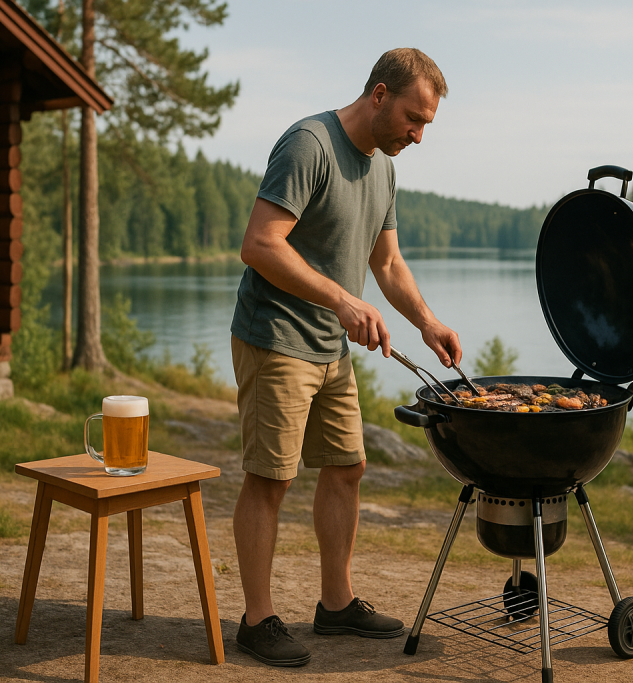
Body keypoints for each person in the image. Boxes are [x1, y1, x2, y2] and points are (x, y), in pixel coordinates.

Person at [229, 48, 461, 667]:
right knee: (271, 478)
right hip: (276, 335)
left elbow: (386, 262)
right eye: (414, 119)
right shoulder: (310, 145)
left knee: (347, 467)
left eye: (426, 125)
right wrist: (341, 299)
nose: (418, 136)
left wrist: (428, 322)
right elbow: (260, 244)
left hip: (331, 346)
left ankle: (335, 605)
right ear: (379, 94)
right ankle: (256, 620)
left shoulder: (383, 168)